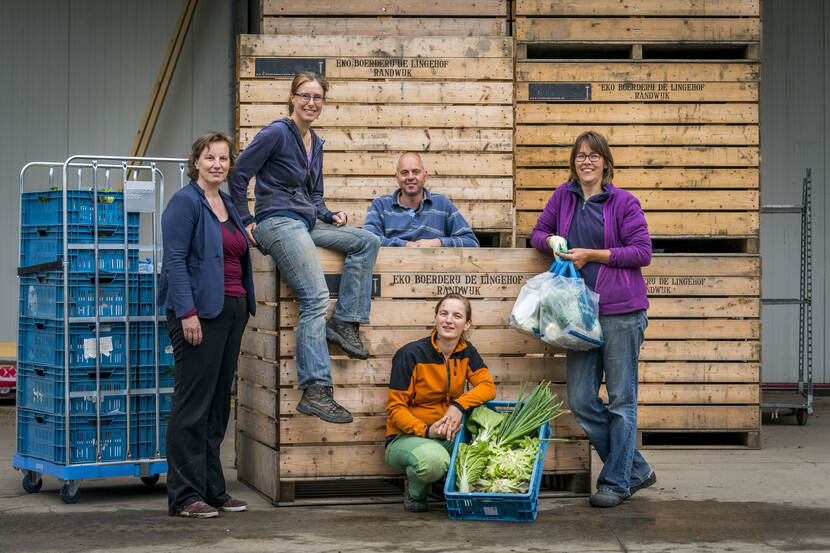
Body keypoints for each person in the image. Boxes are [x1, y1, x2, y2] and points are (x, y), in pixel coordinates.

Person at [229, 72, 380, 425]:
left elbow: (314, 195)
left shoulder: (316, 142)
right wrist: (245, 220)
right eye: (305, 96)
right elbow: (238, 176)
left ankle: (344, 322)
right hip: (276, 223)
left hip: (305, 223)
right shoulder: (276, 133)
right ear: (292, 98)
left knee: (366, 240)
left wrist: (330, 214)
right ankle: (315, 389)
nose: (311, 102)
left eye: (318, 97)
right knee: (314, 298)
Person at [530, 130, 655, 508]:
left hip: (621, 313)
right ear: (574, 162)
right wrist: (551, 241)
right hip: (579, 316)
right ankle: (635, 468)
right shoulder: (562, 197)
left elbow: (642, 252)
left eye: (594, 155)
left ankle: (616, 482)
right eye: (580, 156)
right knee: (582, 399)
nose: (587, 161)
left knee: (621, 401)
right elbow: (537, 233)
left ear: (605, 162)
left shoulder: (623, 203)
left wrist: (592, 255)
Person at [159, 132, 255, 518]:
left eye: (224, 159)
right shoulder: (185, 203)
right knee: (192, 405)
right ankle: (184, 495)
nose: (218, 164)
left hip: (232, 310)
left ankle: (214, 489)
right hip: (199, 313)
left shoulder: (229, 203)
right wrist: (187, 313)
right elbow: (175, 261)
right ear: (196, 162)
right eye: (210, 157)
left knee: (217, 406)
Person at [384, 293, 496, 512]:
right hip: (405, 437)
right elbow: (395, 409)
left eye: (457, 316)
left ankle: (440, 484)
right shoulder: (411, 354)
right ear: (435, 318)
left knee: (485, 450)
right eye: (443, 313)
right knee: (433, 461)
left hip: (446, 434)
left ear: (467, 324)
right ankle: (416, 492)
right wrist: (426, 431)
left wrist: (458, 405)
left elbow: (487, 387)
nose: (448, 320)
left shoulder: (467, 352)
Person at [362, 152, 479, 247]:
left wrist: (438, 242)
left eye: (416, 172)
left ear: (425, 175)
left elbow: (471, 241)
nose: (410, 177)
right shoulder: (381, 205)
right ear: (397, 177)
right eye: (404, 173)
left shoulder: (442, 204)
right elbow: (366, 239)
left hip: (433, 274)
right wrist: (405, 245)